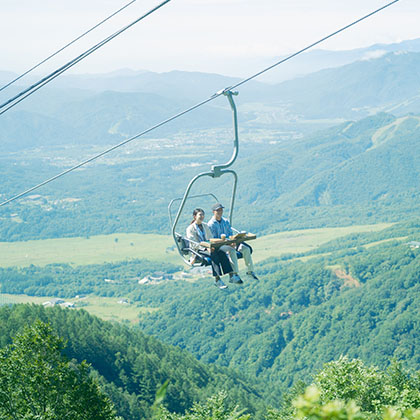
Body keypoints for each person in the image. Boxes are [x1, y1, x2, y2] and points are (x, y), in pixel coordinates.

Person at [186, 208, 242, 289]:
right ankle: (217, 279)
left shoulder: (205, 226)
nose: (202, 216)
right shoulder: (190, 228)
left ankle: (231, 275)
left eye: (203, 215)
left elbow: (210, 238)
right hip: (199, 250)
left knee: (221, 252)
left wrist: (212, 246)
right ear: (194, 216)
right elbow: (193, 243)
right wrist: (206, 247)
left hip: (209, 247)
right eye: (200, 215)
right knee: (214, 255)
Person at [207, 203, 259, 280]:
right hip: (221, 245)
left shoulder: (225, 221)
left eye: (221, 210)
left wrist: (233, 241)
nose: (220, 212)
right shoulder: (211, 224)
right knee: (232, 251)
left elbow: (230, 233)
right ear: (213, 212)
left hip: (230, 242)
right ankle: (234, 274)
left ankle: (250, 271)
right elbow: (213, 239)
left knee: (246, 249)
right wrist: (228, 243)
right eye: (218, 211)